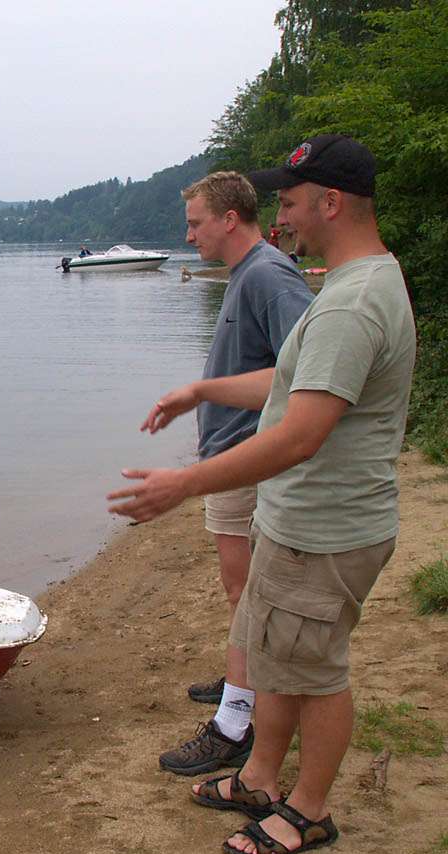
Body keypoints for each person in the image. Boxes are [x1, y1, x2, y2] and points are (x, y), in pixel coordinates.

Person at [108, 135, 415, 854]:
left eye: (290, 201)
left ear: (330, 203)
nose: (280, 217)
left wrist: (184, 483)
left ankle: (307, 812)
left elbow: (301, 435)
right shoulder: (350, 286)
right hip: (298, 520)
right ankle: (258, 778)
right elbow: (288, 383)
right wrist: (202, 390)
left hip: (326, 527)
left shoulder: (351, 304)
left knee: (315, 672)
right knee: (275, 657)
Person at [148, 172, 313, 777]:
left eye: (195, 223)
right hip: (233, 454)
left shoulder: (268, 275)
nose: (188, 235)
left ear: (228, 219)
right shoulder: (246, 273)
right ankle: (244, 679)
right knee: (241, 591)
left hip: (249, 458)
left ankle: (237, 718)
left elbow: (308, 370)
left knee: (248, 594)